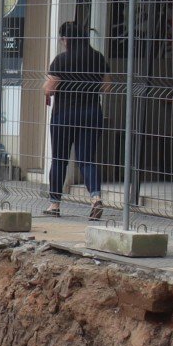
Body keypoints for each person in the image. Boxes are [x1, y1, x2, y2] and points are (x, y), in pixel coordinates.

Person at [43, 21, 108, 219]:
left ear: (66, 39)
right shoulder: (97, 57)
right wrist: (89, 91)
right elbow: (107, 85)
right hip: (91, 113)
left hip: (65, 114)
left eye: (62, 39)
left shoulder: (61, 60)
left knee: (60, 159)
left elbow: (50, 88)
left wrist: (45, 88)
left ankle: (54, 205)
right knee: (87, 159)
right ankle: (95, 198)